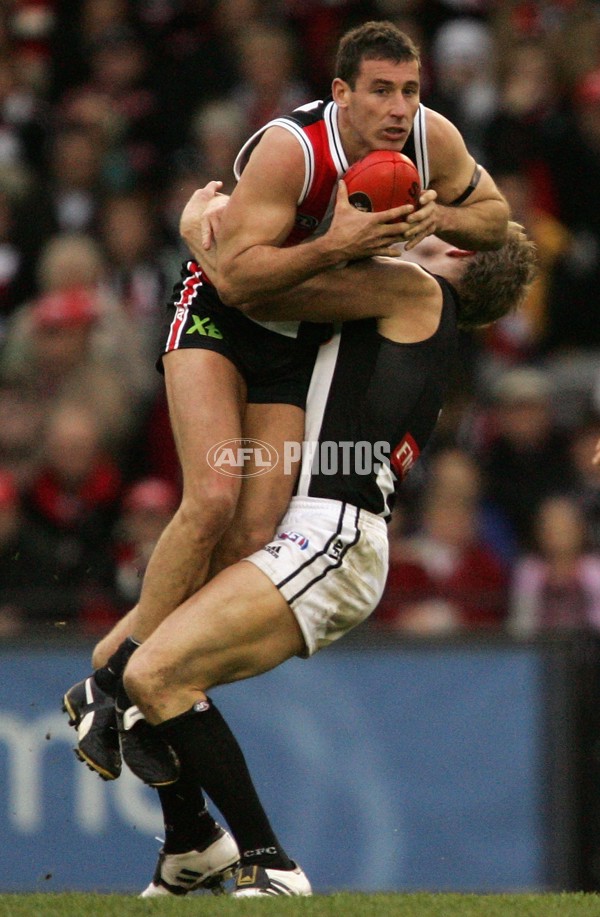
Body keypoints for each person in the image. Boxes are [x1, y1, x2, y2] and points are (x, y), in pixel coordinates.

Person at [63, 19, 509, 812]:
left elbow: (494, 219)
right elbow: (237, 282)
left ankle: (148, 718)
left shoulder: (428, 139)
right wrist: (337, 240)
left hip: (295, 334)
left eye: (409, 90)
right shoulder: (289, 150)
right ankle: (110, 681)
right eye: (380, 89)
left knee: (253, 527)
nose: (399, 107)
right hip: (221, 315)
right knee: (210, 496)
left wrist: (427, 215)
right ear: (340, 93)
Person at [117, 202, 535, 897]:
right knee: (133, 669)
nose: (422, 229)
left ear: (459, 255)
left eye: (442, 231)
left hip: (330, 534)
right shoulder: (407, 310)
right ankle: (190, 839)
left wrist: (202, 238)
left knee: (153, 672)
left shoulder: (418, 292)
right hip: (315, 531)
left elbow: (257, 287)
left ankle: (268, 859)